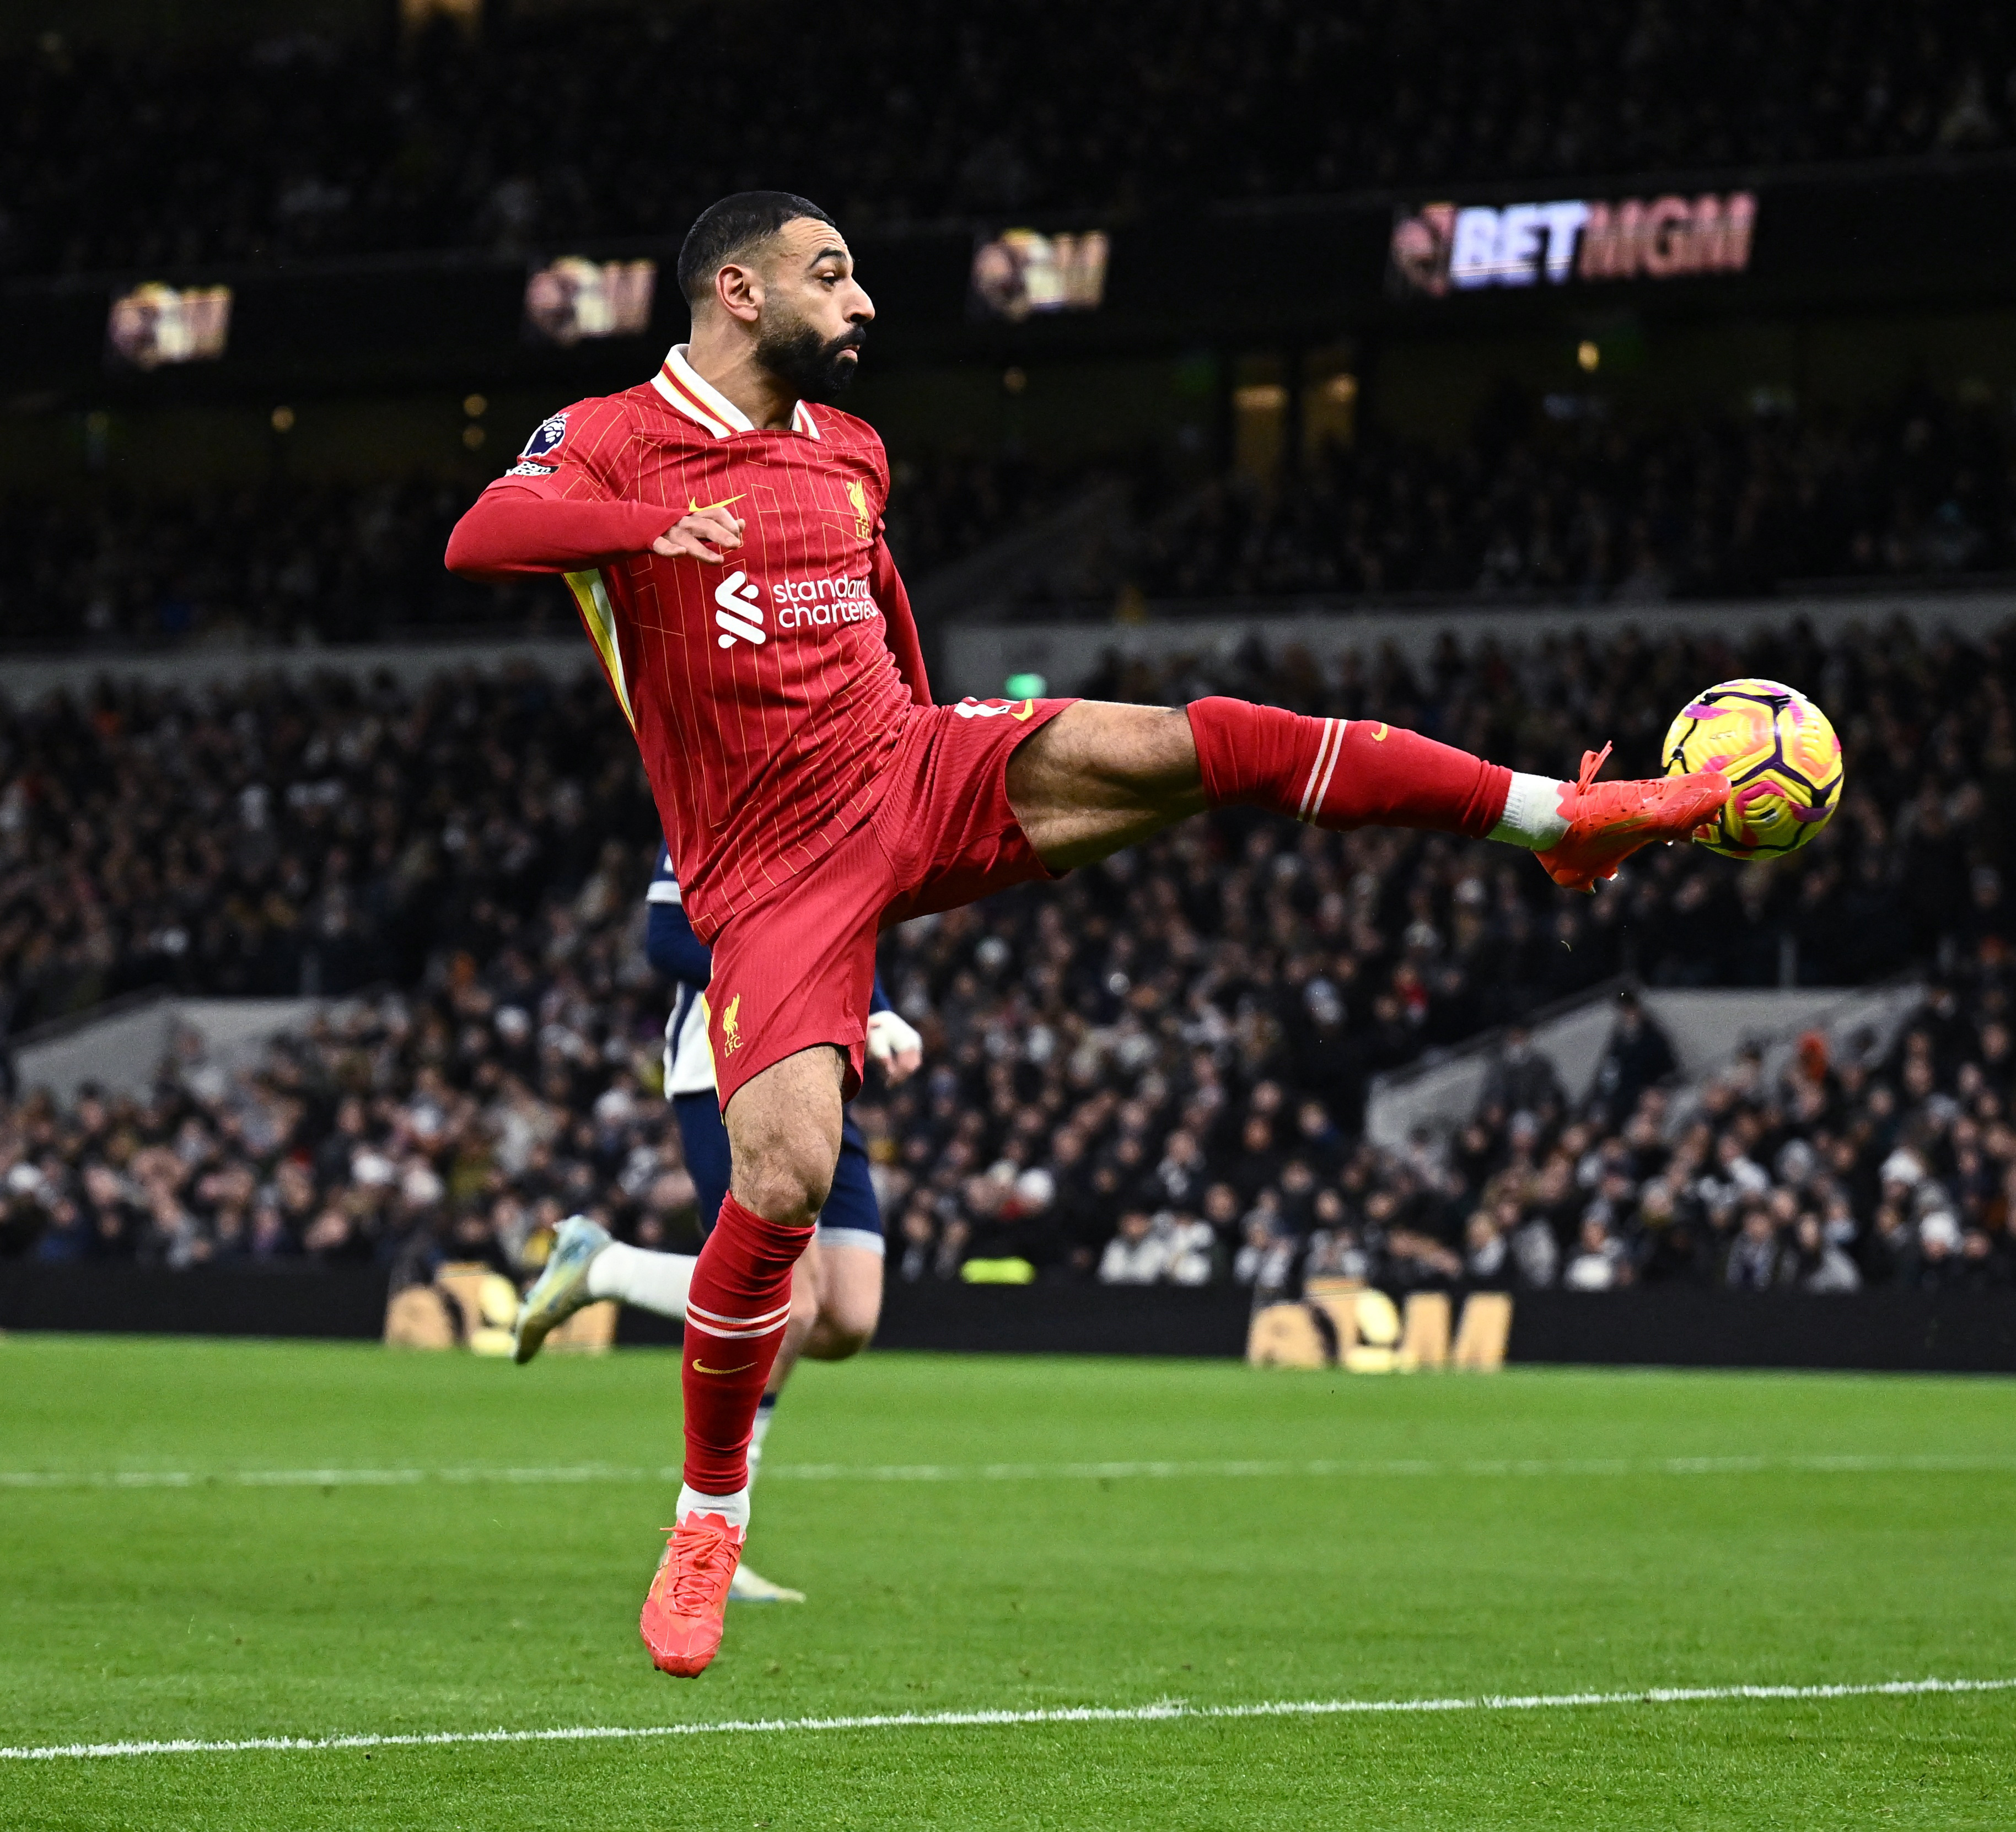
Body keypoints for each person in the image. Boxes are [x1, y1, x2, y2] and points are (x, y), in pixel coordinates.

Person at [443, 191, 1730, 1677]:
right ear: (735, 289)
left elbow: (886, 618)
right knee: (783, 1175)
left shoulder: (850, 451)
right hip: (764, 864)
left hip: (910, 768)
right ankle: (709, 1512)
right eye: (833, 273)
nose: (863, 302)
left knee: (1214, 737)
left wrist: (938, 754)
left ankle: (1554, 826)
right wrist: (648, 523)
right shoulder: (614, 431)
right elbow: (485, 531)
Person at [507, 840, 920, 1603]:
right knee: (790, 1306)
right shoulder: (718, 801)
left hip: (823, 1070)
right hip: (728, 1068)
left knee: (849, 1317)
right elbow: (666, 940)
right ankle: (717, 1539)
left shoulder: (835, 791)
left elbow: (839, 929)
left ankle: (603, 1266)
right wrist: (802, 988)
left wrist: (881, 1011)